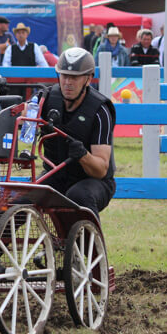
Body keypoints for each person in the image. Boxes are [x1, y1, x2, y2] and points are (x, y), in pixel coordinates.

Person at [39, 48, 116, 217]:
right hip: (56, 176)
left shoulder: (100, 111)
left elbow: (101, 169)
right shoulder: (46, 98)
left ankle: (92, 235)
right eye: (64, 76)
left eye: (74, 77)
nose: (67, 82)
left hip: (94, 182)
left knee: (77, 195)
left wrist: (83, 155)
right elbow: (22, 114)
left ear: (88, 79)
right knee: (26, 196)